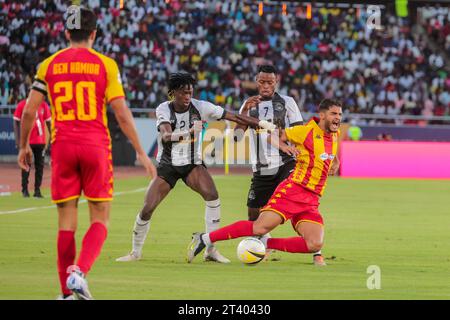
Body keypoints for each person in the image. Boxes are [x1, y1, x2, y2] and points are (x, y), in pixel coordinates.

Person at [17, 7, 156, 300]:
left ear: (66, 33)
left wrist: (23, 145)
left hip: (63, 146)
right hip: (95, 147)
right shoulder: (105, 65)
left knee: (66, 222)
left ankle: (65, 294)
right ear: (94, 33)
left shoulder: (48, 65)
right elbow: (121, 113)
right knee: (100, 219)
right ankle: (78, 273)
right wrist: (141, 153)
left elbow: (30, 110)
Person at [116, 72, 276, 264]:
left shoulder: (201, 107)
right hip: (168, 166)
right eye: (183, 93)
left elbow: (233, 117)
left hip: (192, 164)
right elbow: (166, 136)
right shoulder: (163, 109)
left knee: (212, 196)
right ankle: (135, 252)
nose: (187, 97)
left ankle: (210, 250)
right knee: (147, 208)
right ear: (173, 93)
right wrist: (189, 132)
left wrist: (262, 123)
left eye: (190, 92)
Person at [187, 99, 342, 264]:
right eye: (334, 114)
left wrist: (336, 161)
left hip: (312, 200)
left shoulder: (334, 134)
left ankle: (266, 243)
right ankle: (205, 238)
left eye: (339, 114)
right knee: (259, 227)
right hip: (293, 191)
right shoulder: (305, 132)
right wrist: (283, 147)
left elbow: (328, 151)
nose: (338, 117)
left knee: (314, 243)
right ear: (322, 115)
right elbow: (271, 136)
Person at [234, 64, 334, 266]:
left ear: (276, 81)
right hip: (261, 167)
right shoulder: (248, 104)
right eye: (262, 81)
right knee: (254, 213)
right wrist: (244, 111)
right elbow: (237, 137)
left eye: (270, 82)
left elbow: (301, 132)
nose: (265, 85)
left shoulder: (287, 102)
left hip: (286, 162)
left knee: (297, 201)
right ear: (256, 81)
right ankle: (262, 247)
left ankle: (317, 251)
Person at [13, 98, 51, 198]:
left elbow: (48, 123)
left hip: (40, 141)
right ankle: (24, 190)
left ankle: (37, 191)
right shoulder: (22, 105)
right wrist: (18, 141)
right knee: (26, 165)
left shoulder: (44, 105)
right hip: (27, 142)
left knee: (40, 167)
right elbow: (16, 121)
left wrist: (52, 138)